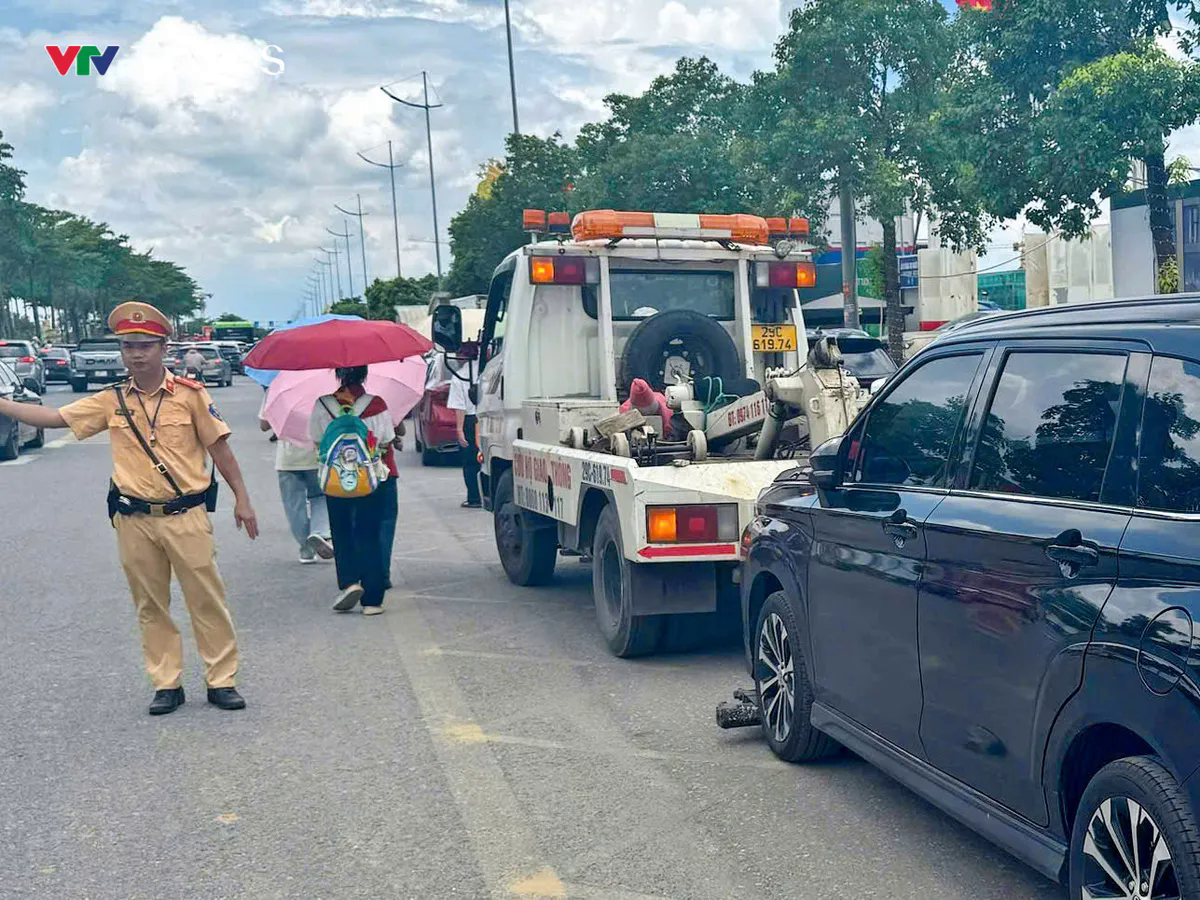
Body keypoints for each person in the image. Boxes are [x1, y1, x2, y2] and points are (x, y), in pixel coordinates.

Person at [0, 302, 259, 716]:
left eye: (145, 345)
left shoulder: (191, 396)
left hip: (185, 515)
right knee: (150, 605)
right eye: (128, 346)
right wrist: (2, 404)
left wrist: (242, 499)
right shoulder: (111, 399)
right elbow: (53, 417)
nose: (136, 354)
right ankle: (167, 682)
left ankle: (221, 679)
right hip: (134, 518)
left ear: (163, 348)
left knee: (207, 600)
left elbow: (220, 450)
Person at [309, 366, 396, 615]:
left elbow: (316, 440)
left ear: (337, 374)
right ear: (364, 374)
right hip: (370, 479)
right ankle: (373, 600)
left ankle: (349, 582)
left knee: (341, 530)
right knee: (370, 532)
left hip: (336, 479)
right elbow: (387, 439)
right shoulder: (376, 404)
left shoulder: (322, 405)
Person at [258, 397, 333, 564]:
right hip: (317, 456)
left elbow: (264, 425)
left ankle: (306, 549)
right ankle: (319, 532)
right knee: (321, 497)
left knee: (294, 506)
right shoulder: (324, 390)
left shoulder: (279, 391)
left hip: (288, 458)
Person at [447, 360, 481, 508]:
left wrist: (459, 430)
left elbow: (460, 406)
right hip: (488, 417)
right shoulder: (487, 370)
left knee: (470, 461)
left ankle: (474, 497)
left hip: (470, 421)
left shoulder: (460, 376)